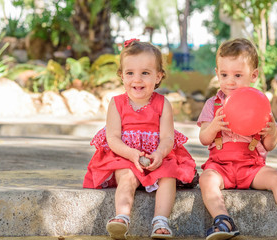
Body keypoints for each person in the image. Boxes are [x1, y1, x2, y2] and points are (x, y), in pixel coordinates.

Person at [197, 38, 277, 240]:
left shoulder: (259, 105)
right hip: (220, 167)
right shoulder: (212, 104)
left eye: (238, 75)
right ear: (217, 74)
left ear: (253, 75)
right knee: (206, 179)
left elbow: (269, 145)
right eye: (224, 74)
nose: (230, 81)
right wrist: (213, 126)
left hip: (251, 167)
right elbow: (204, 138)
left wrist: (272, 132)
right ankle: (223, 220)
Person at [83, 38, 197, 239]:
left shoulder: (163, 104)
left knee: (168, 175)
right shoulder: (116, 103)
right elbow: (113, 138)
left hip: (157, 155)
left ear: (158, 76)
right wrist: (132, 153)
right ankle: (122, 217)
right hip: (125, 155)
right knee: (126, 176)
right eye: (130, 73)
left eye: (145, 73)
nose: (137, 79)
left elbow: (168, 138)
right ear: (121, 76)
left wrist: (160, 154)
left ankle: (161, 220)